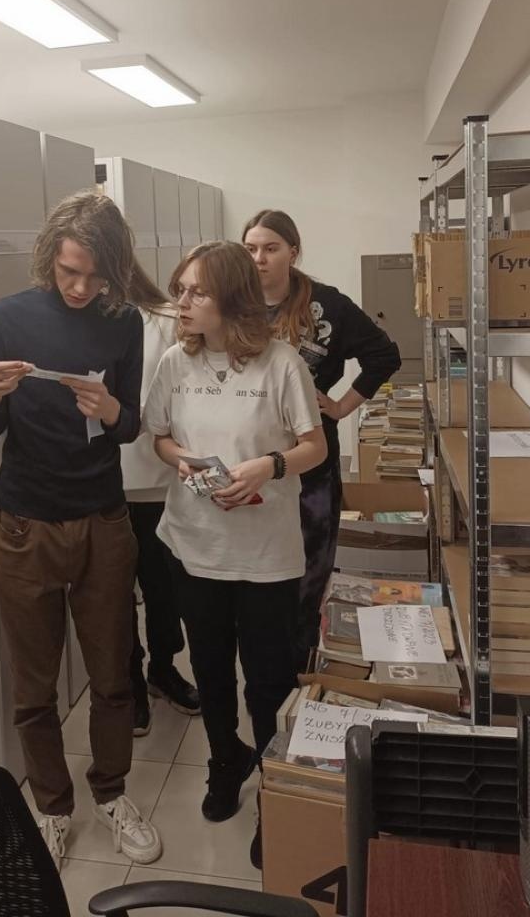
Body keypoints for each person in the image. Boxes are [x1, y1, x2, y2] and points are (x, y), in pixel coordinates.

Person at [0, 191, 164, 870]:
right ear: (49, 255)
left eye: (95, 276)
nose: (81, 288)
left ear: (115, 269)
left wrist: (109, 408)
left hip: (102, 520)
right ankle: (51, 807)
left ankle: (111, 793)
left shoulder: (123, 321)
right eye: (69, 272)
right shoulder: (10, 315)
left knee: (112, 674)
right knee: (34, 685)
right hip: (24, 521)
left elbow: (129, 427)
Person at [144, 241, 327, 826]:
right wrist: (185, 462)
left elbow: (314, 447)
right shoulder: (175, 362)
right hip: (194, 543)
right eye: (180, 290)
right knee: (212, 668)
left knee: (268, 679)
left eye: (196, 292)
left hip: (266, 553)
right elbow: (160, 438)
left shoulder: (282, 363)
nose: (182, 302)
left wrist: (268, 466)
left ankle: (277, 787)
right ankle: (225, 760)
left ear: (231, 297)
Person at [242, 211, 402, 669]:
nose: (259, 259)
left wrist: (342, 406)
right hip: (249, 455)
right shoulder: (234, 303)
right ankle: (262, 658)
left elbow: (384, 355)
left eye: (271, 248)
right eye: (250, 249)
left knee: (309, 567)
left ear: (293, 252)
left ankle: (299, 666)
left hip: (310, 458)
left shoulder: (327, 305)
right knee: (255, 570)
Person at [122, 305, 200, 736]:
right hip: (101, 483)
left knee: (163, 588)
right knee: (116, 595)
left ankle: (163, 669)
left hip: (158, 479)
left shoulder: (164, 318)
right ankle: (130, 680)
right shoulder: (78, 319)